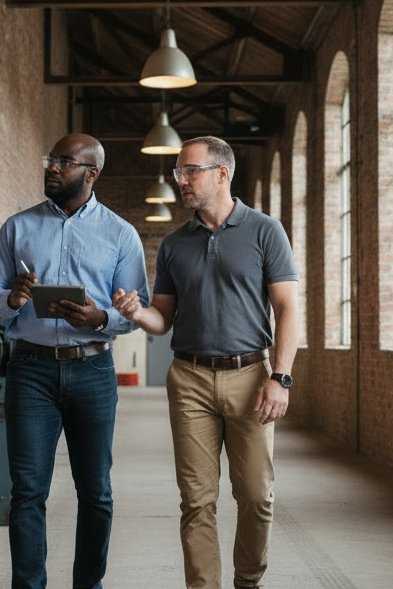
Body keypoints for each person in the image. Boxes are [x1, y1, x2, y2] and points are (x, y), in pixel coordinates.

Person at [112, 136, 299, 589]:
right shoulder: (176, 244)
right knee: (196, 500)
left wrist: (281, 378)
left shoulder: (264, 231)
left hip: (251, 376)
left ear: (221, 173)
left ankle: (248, 580)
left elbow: (288, 307)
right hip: (190, 378)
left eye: (190, 171)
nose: (182, 181)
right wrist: (137, 313)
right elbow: (164, 318)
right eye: (178, 173)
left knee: (256, 496)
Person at [0, 133, 149, 589]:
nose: (51, 168)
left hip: (92, 369)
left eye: (63, 162)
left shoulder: (121, 234)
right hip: (30, 369)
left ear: (91, 173)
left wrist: (102, 317)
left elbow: (137, 311)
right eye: (50, 160)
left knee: (96, 493)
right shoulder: (17, 228)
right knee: (28, 492)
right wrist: (12, 299)